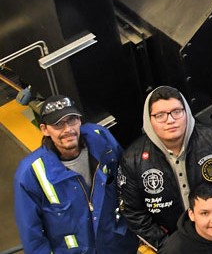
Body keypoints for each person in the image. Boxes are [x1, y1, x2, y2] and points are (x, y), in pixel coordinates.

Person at [119, 86, 212, 249]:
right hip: (170, 241)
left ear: (186, 112)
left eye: (176, 111)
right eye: (160, 115)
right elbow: (134, 212)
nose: (170, 120)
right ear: (148, 119)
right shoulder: (132, 159)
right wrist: (168, 246)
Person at [13, 95, 138, 254]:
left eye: (72, 120)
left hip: (118, 246)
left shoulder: (101, 138)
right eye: (58, 124)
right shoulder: (30, 173)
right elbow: (32, 236)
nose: (68, 130)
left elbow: (129, 180)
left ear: (79, 120)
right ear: (44, 129)